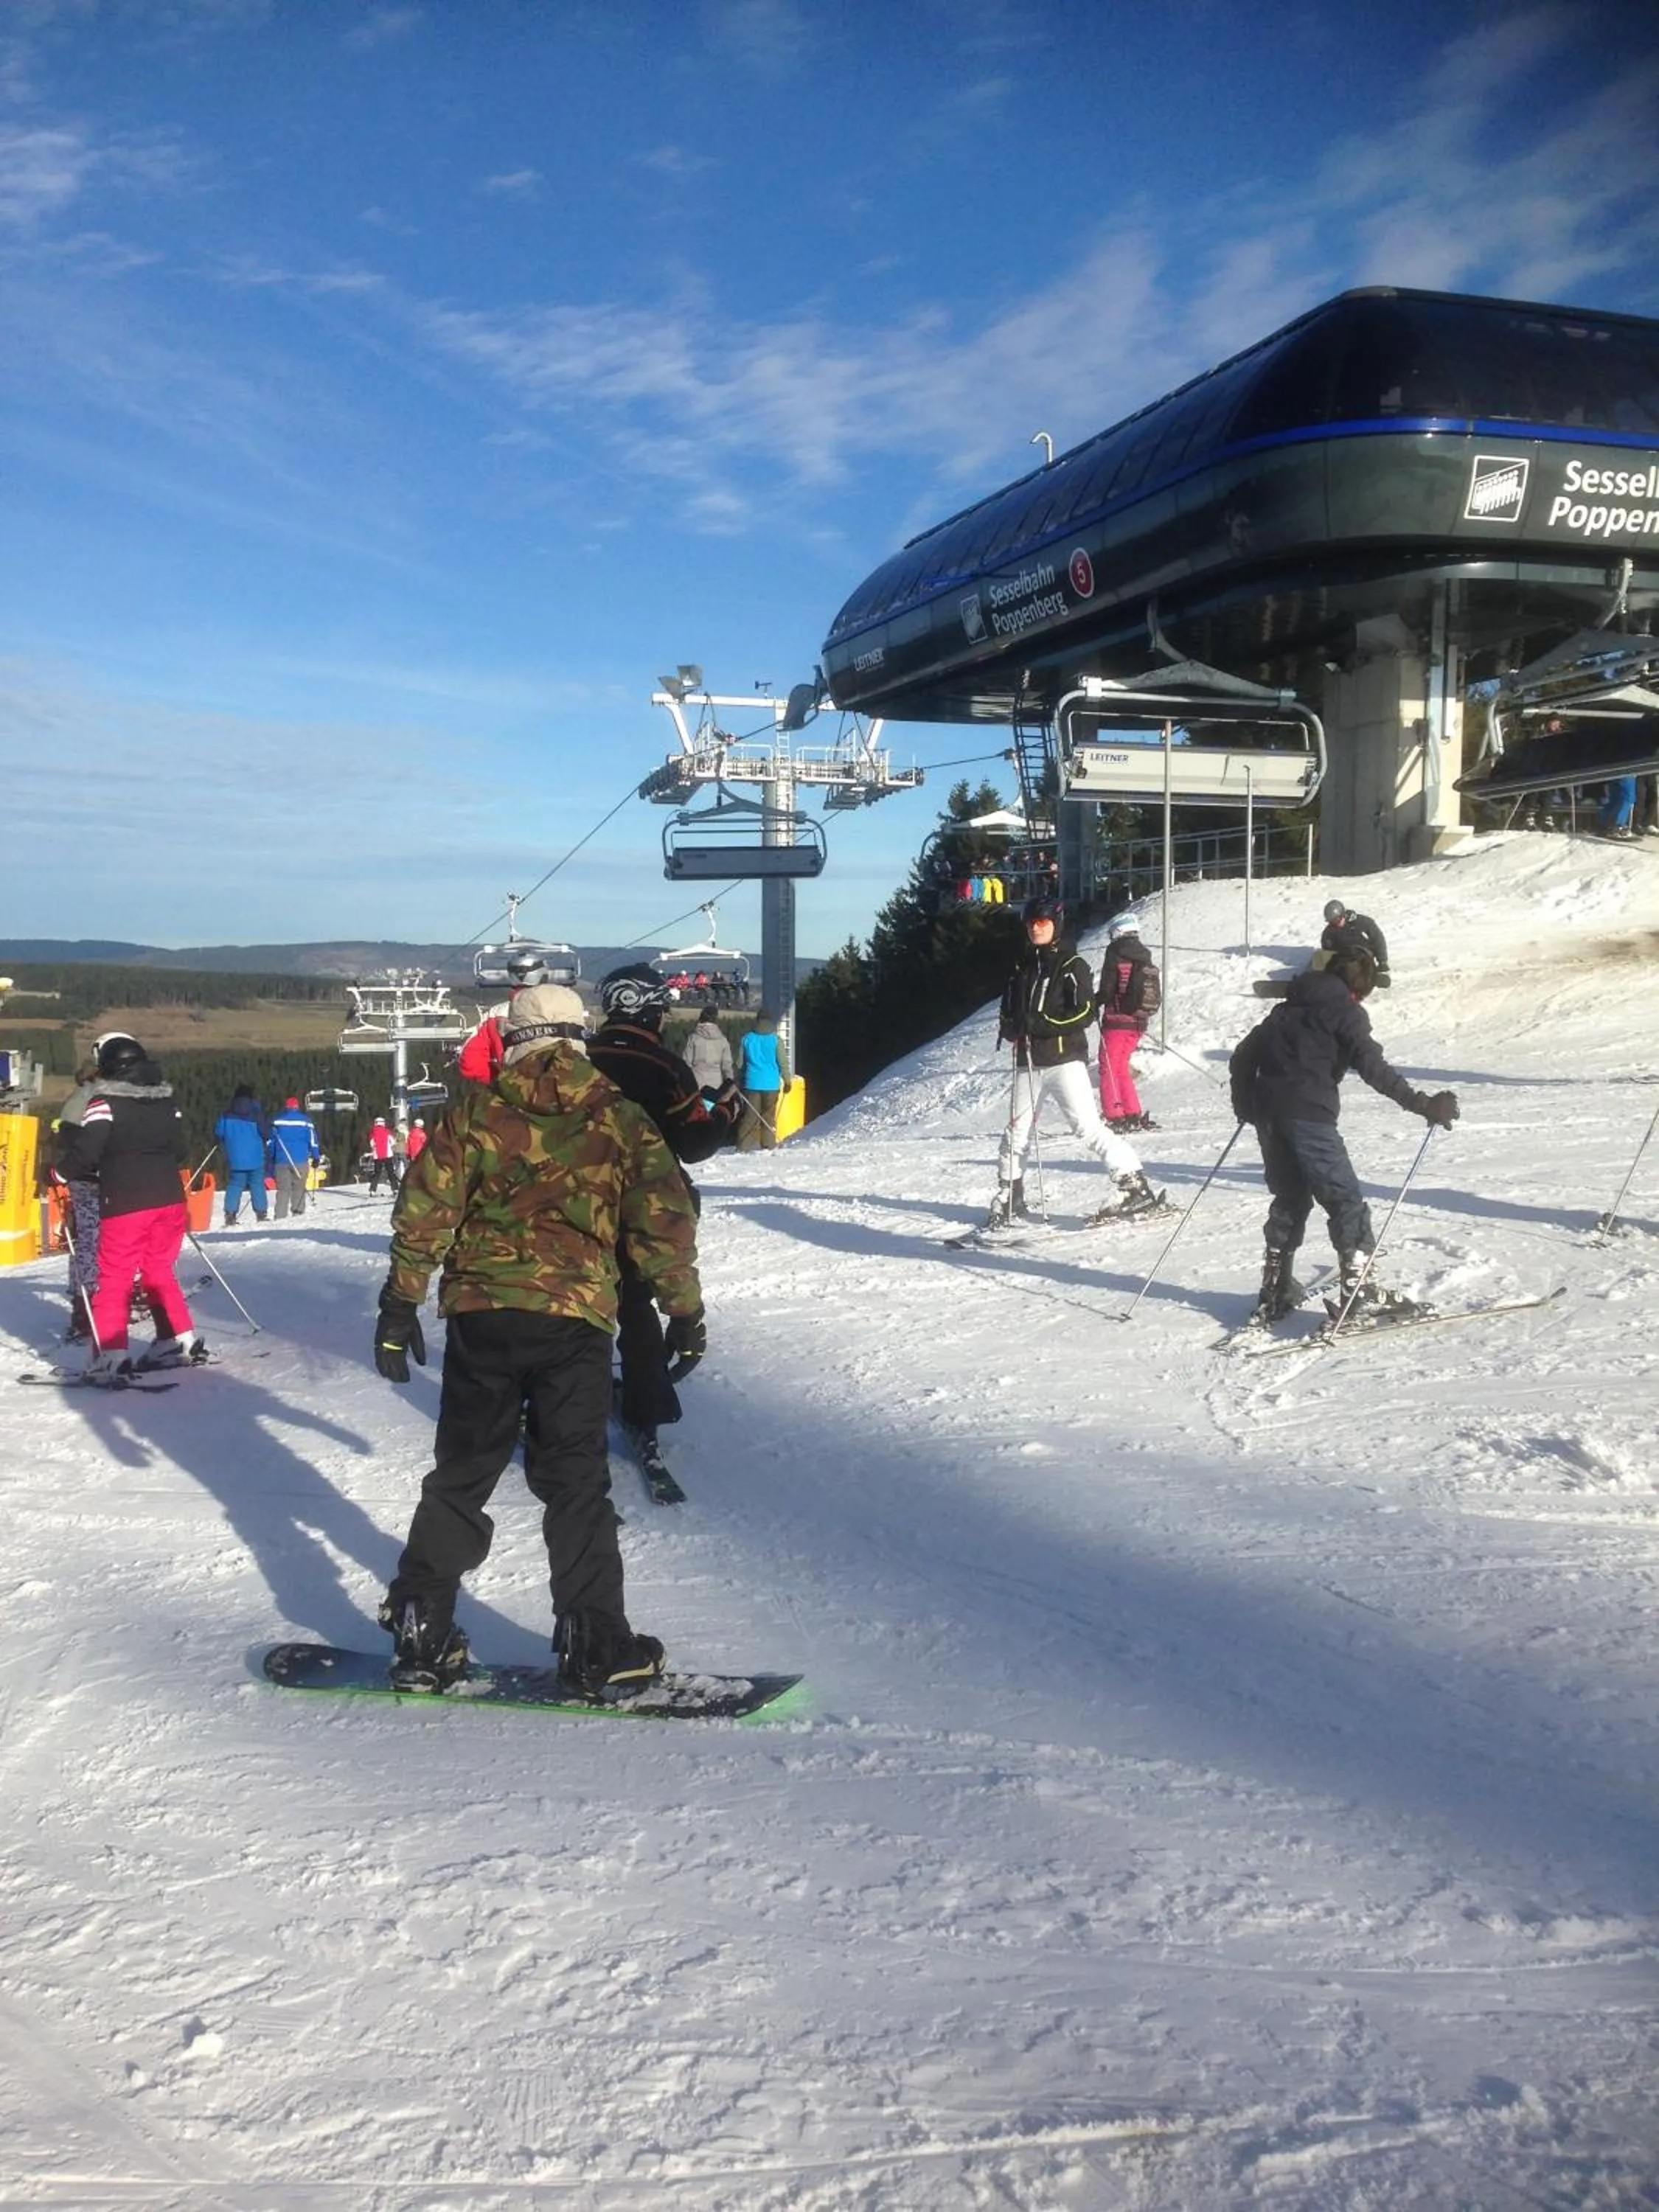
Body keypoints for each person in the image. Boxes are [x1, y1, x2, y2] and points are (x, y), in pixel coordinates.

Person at [370, 984, 704, 1696]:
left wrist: (400, 1305)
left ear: (513, 1038)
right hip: (573, 1318)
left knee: (464, 1470)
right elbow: (662, 1221)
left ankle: (422, 1625)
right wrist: (684, 1313)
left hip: (483, 1313)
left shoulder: (476, 1113)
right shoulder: (619, 1118)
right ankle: (595, 1642)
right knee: (575, 1479)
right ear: (579, 1035)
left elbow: (425, 1211)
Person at [1229, 948, 1458, 1323]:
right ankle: (1360, 1291)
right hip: (1310, 1116)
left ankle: (1275, 1287)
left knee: (1290, 1197)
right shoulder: (1345, 1012)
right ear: (1360, 987)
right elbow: (1373, 1067)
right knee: (1344, 1199)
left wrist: (1246, 1105)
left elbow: (1242, 1056)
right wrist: (1422, 1104)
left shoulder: (1286, 1009)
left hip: (1270, 1116)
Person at [589, 964, 740, 1467]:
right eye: (662, 1008)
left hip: (574, 1201)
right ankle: (646, 1407)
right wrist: (726, 1114)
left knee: (578, 1302)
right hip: (645, 1203)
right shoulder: (665, 1067)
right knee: (635, 1304)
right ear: (648, 1008)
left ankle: (554, 1398)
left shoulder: (581, 1058)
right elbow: (695, 1144)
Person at [992, 897, 1159, 1226]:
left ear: (1056, 925)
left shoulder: (1072, 965)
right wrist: (1011, 1026)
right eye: (1031, 925)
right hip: (1029, 1062)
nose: (1036, 929)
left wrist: (1040, 1024)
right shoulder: (1022, 968)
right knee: (1017, 1131)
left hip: (1063, 1059)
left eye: (1043, 924)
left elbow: (1084, 1012)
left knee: (1086, 1127)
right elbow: (1007, 1009)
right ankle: (1010, 1194)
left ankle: (1133, 1185)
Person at [58, 1032, 201, 1380]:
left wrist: (59, 1173)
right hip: (169, 1200)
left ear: (109, 1067)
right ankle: (179, 1338)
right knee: (159, 1270)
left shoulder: (104, 1103)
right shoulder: (167, 1100)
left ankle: (110, 1353)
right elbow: (181, 1150)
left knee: (116, 1276)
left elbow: (87, 1152)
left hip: (125, 1201)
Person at [52, 1057, 103, 1340]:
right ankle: (92, 1304)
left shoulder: (75, 1098)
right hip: (94, 1177)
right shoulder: (97, 1099)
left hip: (77, 1176)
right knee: (97, 1240)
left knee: (85, 1238)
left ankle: (81, 1303)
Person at [1095, 919, 1159, 1132]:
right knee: (1120, 1065)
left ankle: (1114, 1115)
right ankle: (1132, 1112)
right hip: (1139, 1020)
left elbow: (1107, 989)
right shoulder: (1143, 953)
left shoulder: (1116, 952)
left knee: (1108, 1065)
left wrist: (1093, 1003)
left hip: (1117, 1019)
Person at [215, 1082, 271, 1224]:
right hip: (255, 1156)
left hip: (235, 1157)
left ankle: (230, 1214)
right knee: (257, 1183)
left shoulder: (227, 1114)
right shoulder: (256, 1112)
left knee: (235, 1184)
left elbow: (219, 1132)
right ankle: (261, 1213)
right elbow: (265, 1132)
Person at [736, 1012, 788, 1150]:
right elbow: (783, 1063)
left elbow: (740, 1064)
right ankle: (768, 1145)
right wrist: (787, 1081)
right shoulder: (776, 1040)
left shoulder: (747, 1039)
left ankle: (743, 1147)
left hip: (751, 1083)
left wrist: (738, 1081)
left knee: (750, 1118)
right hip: (771, 1085)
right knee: (768, 1117)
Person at [270, 1096, 321, 1220]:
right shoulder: (306, 1122)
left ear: (286, 1107)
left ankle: (280, 1216)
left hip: (282, 1161)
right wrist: (316, 1157)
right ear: (297, 1107)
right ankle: (298, 1214)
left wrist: (272, 1157)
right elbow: (313, 1141)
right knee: (299, 1188)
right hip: (301, 1160)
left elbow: (271, 1142)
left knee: (283, 1190)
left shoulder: (277, 1121)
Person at [1319, 900, 1390, 984]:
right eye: (1332, 922)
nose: (1335, 924)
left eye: (1337, 920)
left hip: (1364, 956)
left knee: (1353, 967)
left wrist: (1382, 961)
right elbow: (1328, 952)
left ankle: (1371, 979)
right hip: (1344, 960)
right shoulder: (1329, 933)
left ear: (1343, 915)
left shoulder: (1361, 922)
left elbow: (1378, 939)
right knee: (1320, 959)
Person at [684, 1003, 735, 1102]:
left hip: (697, 1082)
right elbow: (727, 1066)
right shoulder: (722, 1040)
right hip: (716, 1083)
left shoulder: (694, 1038)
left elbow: (686, 1063)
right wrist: (730, 1084)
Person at [366, 1116, 400, 1194]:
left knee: (377, 1173)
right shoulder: (387, 1132)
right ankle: (395, 1189)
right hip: (388, 1155)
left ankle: (372, 1190)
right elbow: (393, 1142)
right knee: (391, 1172)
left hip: (377, 1156)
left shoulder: (372, 1133)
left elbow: (372, 1144)